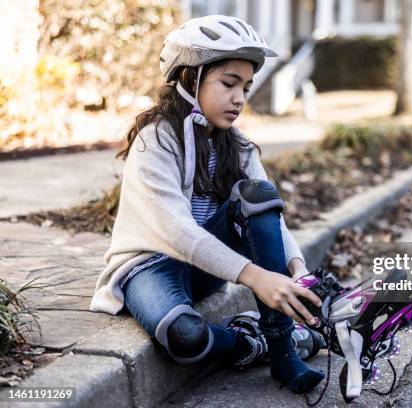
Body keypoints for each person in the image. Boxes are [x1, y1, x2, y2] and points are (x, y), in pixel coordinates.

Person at [89, 15, 325, 394]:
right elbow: (178, 233)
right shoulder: (157, 140)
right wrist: (257, 277)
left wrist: (295, 267)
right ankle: (252, 342)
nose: (239, 99)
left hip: (205, 268)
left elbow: (269, 217)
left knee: (259, 194)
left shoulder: (240, 146)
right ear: (190, 79)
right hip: (149, 266)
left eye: (246, 87)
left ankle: (284, 350)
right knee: (184, 336)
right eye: (229, 84)